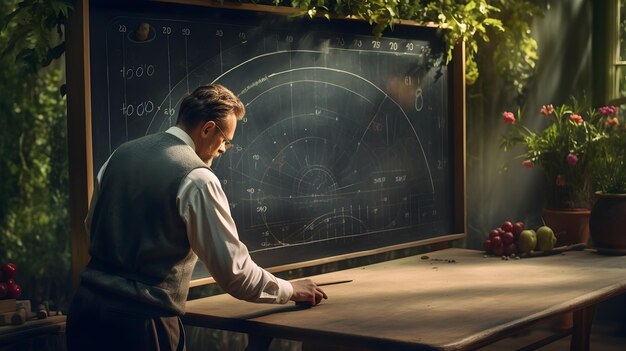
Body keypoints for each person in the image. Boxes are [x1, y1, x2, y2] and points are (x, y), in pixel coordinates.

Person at [66, 84, 327, 351]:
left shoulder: (119, 155)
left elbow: (91, 226)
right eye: (225, 140)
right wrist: (291, 290)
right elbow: (235, 274)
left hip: (85, 314)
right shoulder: (197, 178)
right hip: (141, 327)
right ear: (207, 129)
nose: (224, 149)